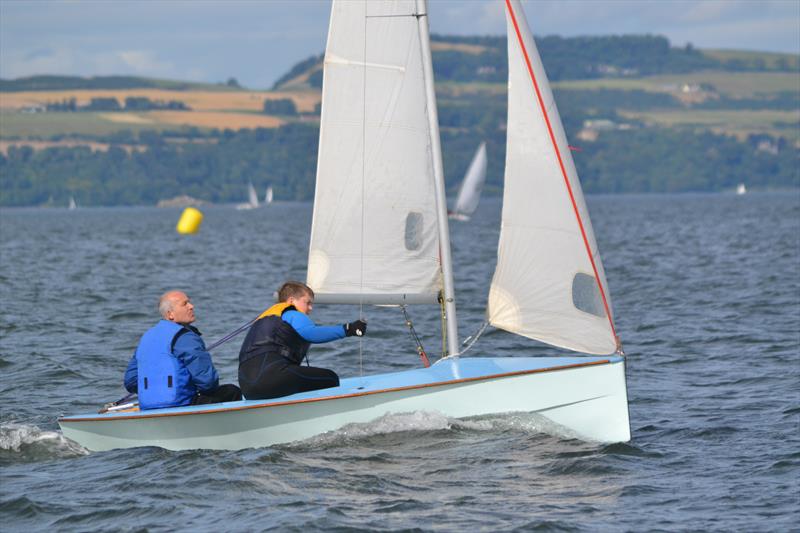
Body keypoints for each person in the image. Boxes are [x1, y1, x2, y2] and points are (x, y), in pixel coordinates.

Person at [238, 281, 366, 400]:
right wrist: (348, 329)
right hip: (270, 378)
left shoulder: (263, 320)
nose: (310, 308)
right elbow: (312, 334)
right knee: (330, 378)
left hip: (247, 386)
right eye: (307, 303)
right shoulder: (292, 313)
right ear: (291, 301)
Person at [124, 290, 242, 410]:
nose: (191, 306)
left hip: (147, 408)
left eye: (189, 302)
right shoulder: (186, 337)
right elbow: (208, 382)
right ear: (171, 314)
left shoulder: (146, 337)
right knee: (232, 391)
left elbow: (131, 382)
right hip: (181, 405)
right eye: (184, 304)